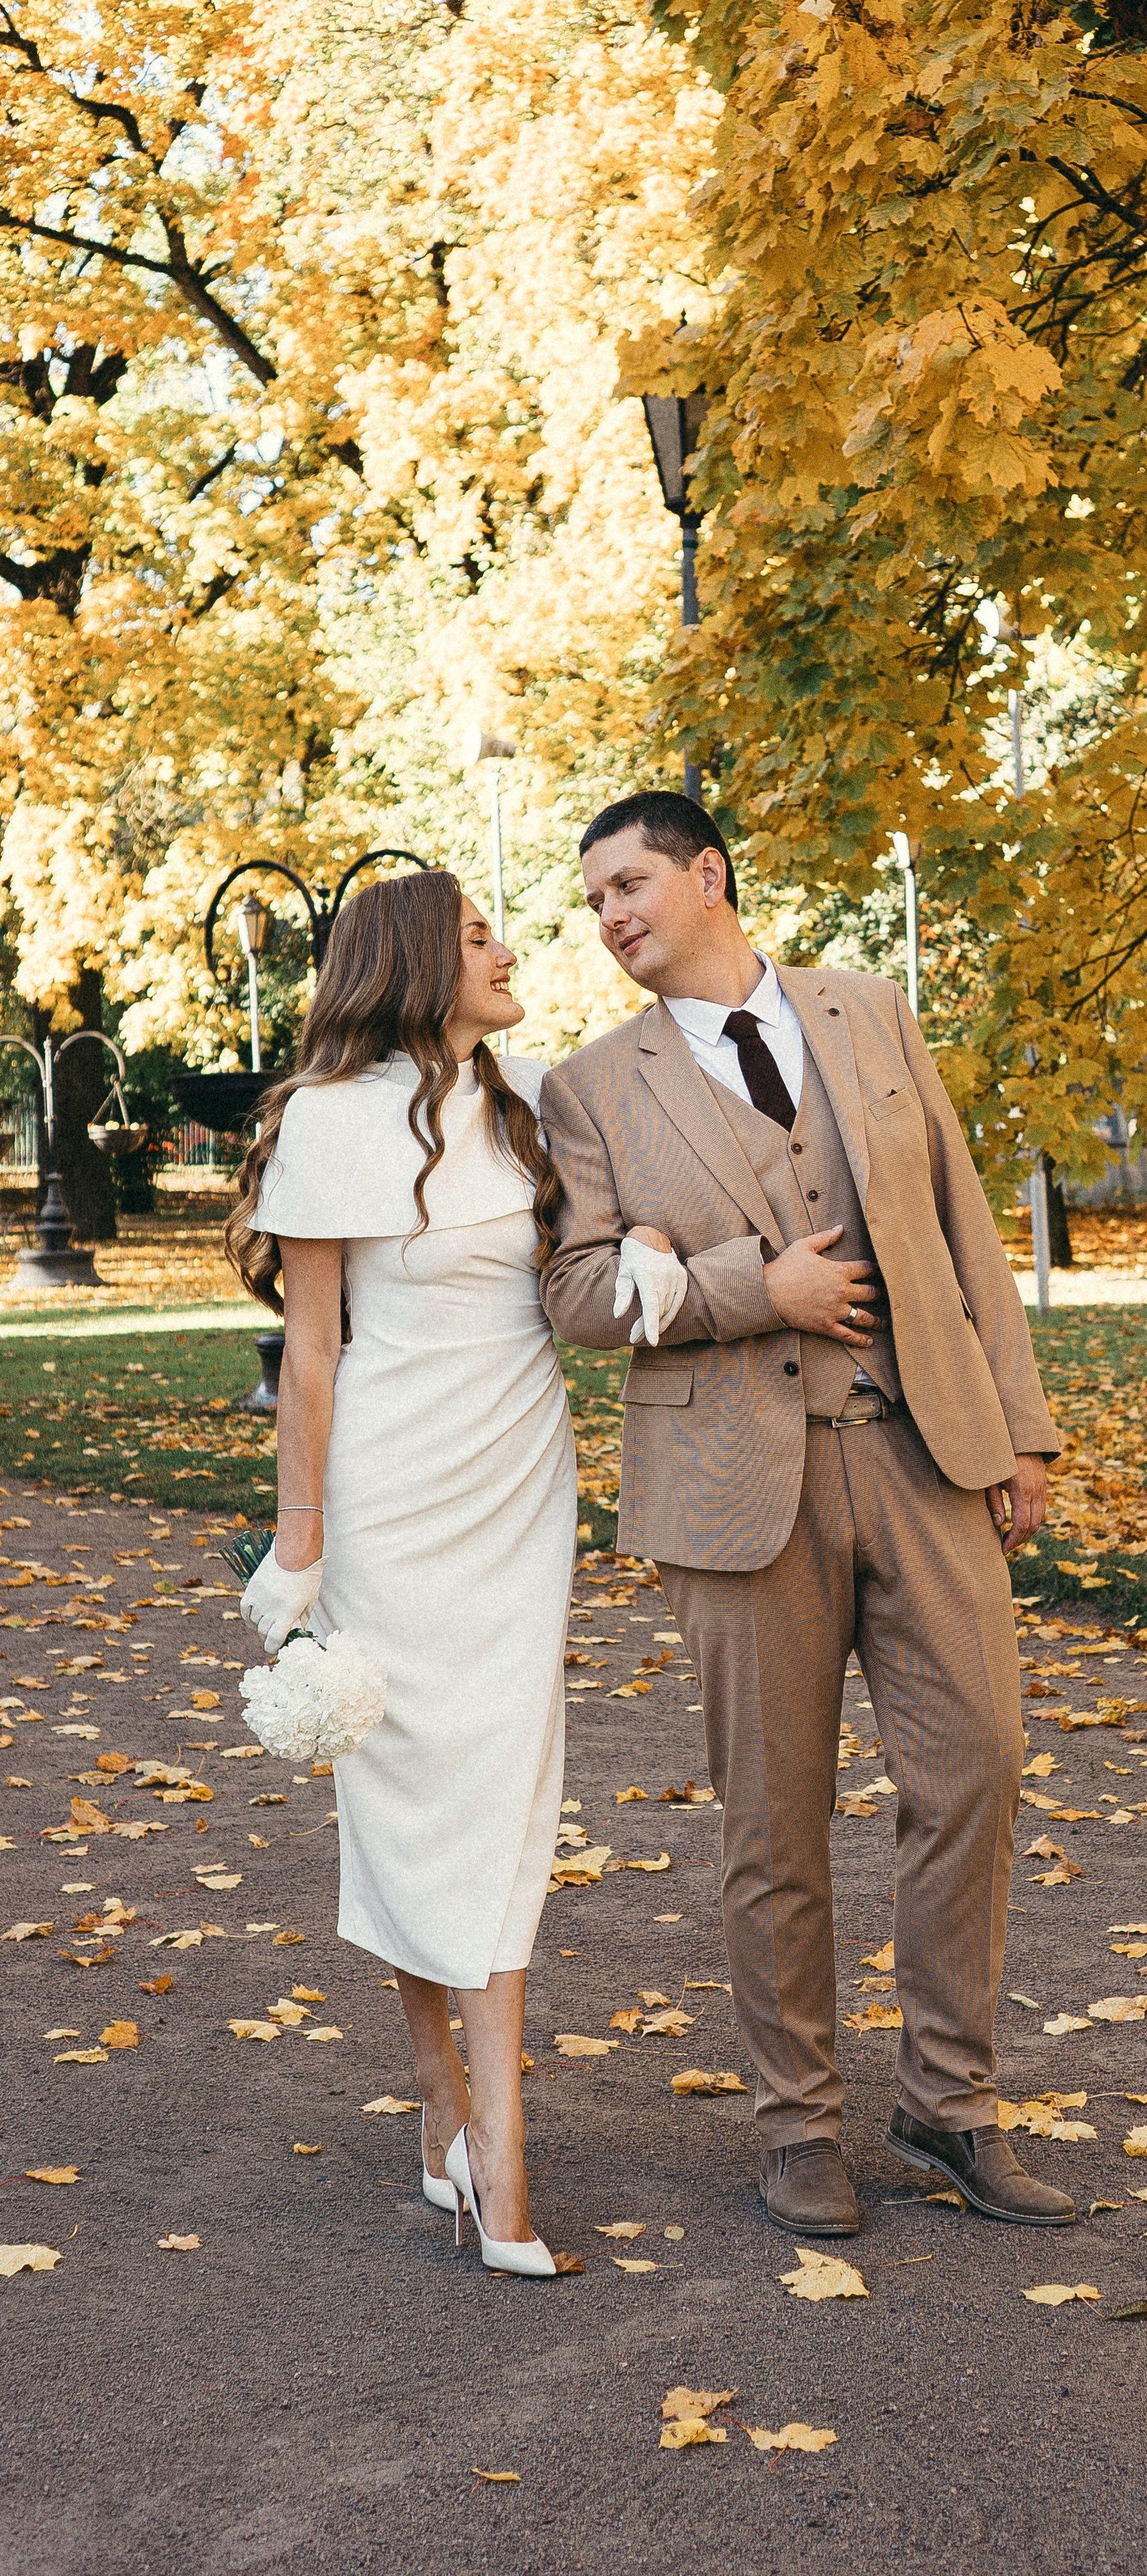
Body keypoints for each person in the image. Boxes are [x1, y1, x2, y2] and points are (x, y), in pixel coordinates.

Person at [541, 790, 1074, 2236]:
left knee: (976, 1765)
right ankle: (797, 2127)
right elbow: (578, 1295)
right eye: (592, 902)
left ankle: (949, 2106)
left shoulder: (867, 1011)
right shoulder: (591, 1088)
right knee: (773, 1825)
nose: (610, 918)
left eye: (630, 884)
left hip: (921, 1450)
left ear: (708, 875)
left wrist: (1019, 1428)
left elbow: (963, 1222)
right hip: (731, 1490)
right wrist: (739, 1291)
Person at [225, 869, 683, 2277]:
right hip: (388, 1495)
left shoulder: (537, 1093)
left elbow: (605, 1249)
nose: (506, 951)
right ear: (417, 964)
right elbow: (310, 1351)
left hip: (515, 1487)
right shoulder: (326, 1121)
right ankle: (473, 2135)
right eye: (478, 935)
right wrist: (298, 1553)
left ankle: (472, 2130)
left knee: (499, 1790)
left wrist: (653, 1259)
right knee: (411, 1794)